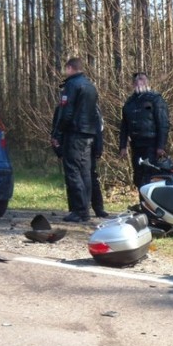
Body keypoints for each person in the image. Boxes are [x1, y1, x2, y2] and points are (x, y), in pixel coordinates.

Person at [51, 57, 100, 223]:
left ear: (70, 68)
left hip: (75, 133)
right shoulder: (90, 86)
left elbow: (67, 112)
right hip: (89, 134)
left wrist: (59, 132)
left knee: (73, 170)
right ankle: (84, 207)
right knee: (85, 171)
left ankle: (79, 210)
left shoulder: (71, 85)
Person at [118, 72, 170, 197]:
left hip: (151, 144)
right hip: (136, 145)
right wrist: (123, 146)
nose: (138, 82)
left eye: (142, 79)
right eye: (136, 80)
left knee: (150, 176)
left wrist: (161, 146)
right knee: (138, 176)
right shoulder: (129, 102)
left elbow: (163, 123)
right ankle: (143, 205)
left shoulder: (156, 99)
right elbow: (124, 126)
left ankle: (152, 207)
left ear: (148, 82)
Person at [52, 105, 108, 218]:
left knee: (91, 177)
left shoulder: (93, 107)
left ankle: (98, 208)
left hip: (90, 145)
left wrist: (98, 147)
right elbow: (57, 128)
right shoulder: (62, 108)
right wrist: (58, 149)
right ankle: (76, 209)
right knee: (73, 177)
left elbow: (98, 129)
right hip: (70, 145)